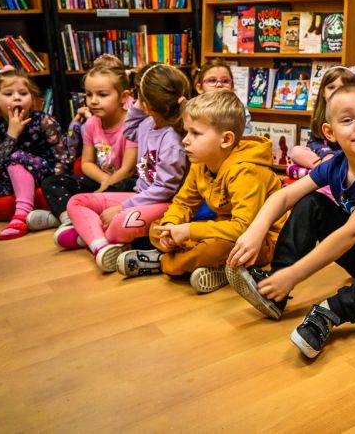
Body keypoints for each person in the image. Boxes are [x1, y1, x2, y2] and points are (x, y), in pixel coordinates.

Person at [226, 83, 355, 358]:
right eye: (347, 120)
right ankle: (274, 291)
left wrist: (296, 274)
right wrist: (256, 229)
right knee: (311, 202)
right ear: (329, 132)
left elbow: (350, 233)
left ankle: (329, 312)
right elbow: (285, 196)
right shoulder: (335, 165)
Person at [116, 90, 286, 293]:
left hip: (262, 242)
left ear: (226, 140)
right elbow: (183, 203)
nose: (185, 140)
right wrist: (171, 225)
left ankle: (161, 262)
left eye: (195, 133)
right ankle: (210, 266)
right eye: (187, 131)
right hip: (223, 228)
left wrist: (188, 231)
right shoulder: (201, 162)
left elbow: (244, 228)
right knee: (158, 228)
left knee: (215, 248)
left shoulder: (247, 171)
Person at [57, 63, 190, 272]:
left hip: (164, 203)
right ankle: (100, 245)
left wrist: (123, 207)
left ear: (147, 104)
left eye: (138, 98)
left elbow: (165, 189)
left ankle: (90, 236)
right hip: (141, 195)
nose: (135, 102)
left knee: (120, 223)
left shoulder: (172, 141)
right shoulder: (146, 123)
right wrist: (140, 104)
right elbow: (129, 130)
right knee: (77, 201)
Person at [29, 59, 137, 231]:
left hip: (124, 183)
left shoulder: (132, 124)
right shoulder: (92, 124)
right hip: (103, 181)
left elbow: (128, 169)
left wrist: (106, 188)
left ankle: (79, 216)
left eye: (102, 95)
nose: (93, 101)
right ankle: (68, 218)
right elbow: (87, 163)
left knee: (128, 186)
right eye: (88, 94)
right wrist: (103, 181)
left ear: (123, 97)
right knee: (52, 182)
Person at [0, 68, 69, 239]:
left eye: (23, 93)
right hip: (9, 180)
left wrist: (55, 183)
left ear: (31, 97)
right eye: (9, 93)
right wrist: (11, 134)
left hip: (44, 174)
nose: (17, 97)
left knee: (15, 156)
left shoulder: (44, 121)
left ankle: (22, 215)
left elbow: (62, 156)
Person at [286, 66, 355, 179]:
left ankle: (319, 173)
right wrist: (326, 154)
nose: (336, 92)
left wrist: (332, 156)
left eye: (343, 88)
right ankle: (325, 171)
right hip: (325, 157)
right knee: (296, 151)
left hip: (347, 159)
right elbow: (313, 142)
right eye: (331, 87)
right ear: (323, 93)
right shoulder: (321, 117)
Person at [192, 58, 252, 135]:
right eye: (212, 80)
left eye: (225, 81)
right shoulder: (193, 109)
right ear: (199, 88)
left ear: (232, 87)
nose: (219, 84)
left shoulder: (240, 110)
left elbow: (245, 140)